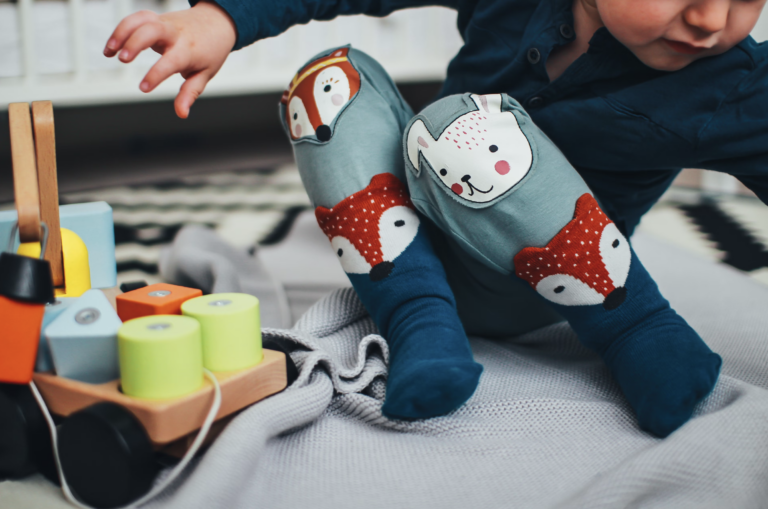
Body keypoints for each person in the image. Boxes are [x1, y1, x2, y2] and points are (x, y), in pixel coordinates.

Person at [104, 0, 768, 437]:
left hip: (538, 283)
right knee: (326, 82)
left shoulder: (732, 83)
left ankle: (640, 331)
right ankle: (421, 324)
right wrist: (222, 19)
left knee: (463, 127)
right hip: (406, 237)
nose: (712, 18)